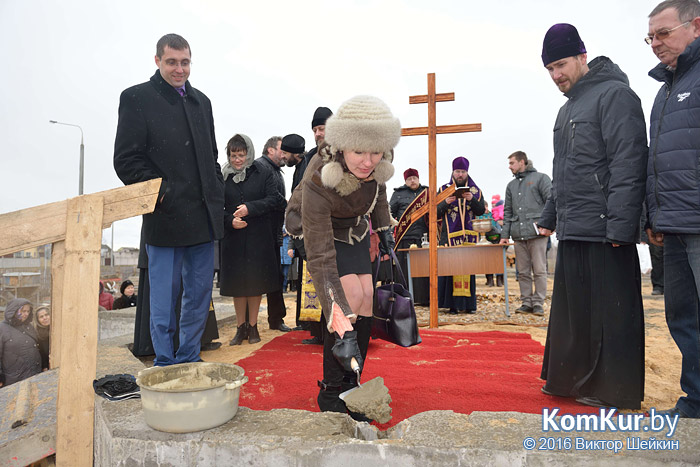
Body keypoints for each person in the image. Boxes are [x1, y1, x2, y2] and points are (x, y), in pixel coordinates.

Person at [538, 24, 647, 409]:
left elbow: (629, 162)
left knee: (611, 315)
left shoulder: (615, 96)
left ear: (583, 57)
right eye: (549, 68)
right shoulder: (567, 109)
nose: (556, 75)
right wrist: (551, 214)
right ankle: (568, 380)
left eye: (562, 64)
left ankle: (612, 390)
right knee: (575, 312)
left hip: (606, 227)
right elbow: (562, 167)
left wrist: (621, 224)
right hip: (573, 224)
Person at [285, 95, 400, 419]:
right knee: (346, 300)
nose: (368, 161)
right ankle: (332, 391)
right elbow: (321, 261)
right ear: (341, 146)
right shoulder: (320, 176)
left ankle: (353, 379)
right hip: (316, 226)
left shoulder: (377, 162)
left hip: (354, 227)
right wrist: (342, 329)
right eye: (359, 152)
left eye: (375, 152)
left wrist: (384, 229)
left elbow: (377, 193)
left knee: (366, 296)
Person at [113, 33, 224, 366]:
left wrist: (217, 195)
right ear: (157, 60)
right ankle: (164, 362)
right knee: (163, 301)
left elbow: (211, 156)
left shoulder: (202, 102)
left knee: (199, 297)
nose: (180, 69)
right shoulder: (136, 98)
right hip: (166, 218)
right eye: (172, 62)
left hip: (203, 219)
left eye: (185, 62)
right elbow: (126, 159)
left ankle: (189, 357)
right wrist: (164, 195)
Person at [645, 0, 700, 419]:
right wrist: (654, 214)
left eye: (663, 34)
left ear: (695, 25)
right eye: (650, 37)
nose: (655, 44)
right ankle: (696, 402)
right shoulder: (664, 92)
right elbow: (656, 159)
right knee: (683, 318)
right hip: (675, 222)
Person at [219, 134, 285, 345]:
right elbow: (215, 207)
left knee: (255, 284)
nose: (237, 160)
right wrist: (230, 221)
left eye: (241, 155)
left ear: (249, 153)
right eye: (233, 155)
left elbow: (275, 200)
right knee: (238, 286)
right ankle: (241, 327)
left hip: (258, 236)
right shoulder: (222, 177)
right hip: (234, 238)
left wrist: (250, 208)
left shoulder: (263, 172)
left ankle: (254, 326)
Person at [288, 107, 333, 345]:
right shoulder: (307, 160)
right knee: (317, 281)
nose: (317, 133)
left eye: (322, 128)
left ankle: (337, 331)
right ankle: (319, 331)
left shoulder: (346, 153)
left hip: (338, 231)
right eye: (315, 129)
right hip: (313, 232)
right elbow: (298, 193)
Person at [499, 151, 552, 316]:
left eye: (512, 163)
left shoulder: (541, 179)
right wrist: (504, 236)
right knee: (522, 271)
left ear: (522, 162)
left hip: (537, 234)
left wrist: (550, 225)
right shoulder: (511, 186)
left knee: (539, 270)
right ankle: (526, 302)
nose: (510, 167)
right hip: (518, 235)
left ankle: (538, 303)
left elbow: (551, 201)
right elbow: (507, 212)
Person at [436, 157, 486, 314]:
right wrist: (446, 203)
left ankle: (469, 305)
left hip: (469, 237)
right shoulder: (444, 189)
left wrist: (471, 201)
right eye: (457, 171)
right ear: (453, 172)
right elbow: (435, 212)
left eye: (463, 172)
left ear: (467, 172)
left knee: (468, 270)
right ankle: (453, 306)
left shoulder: (475, 191)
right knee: (451, 270)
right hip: (449, 237)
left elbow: (480, 211)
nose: (460, 175)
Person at [258, 136, 292, 333]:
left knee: (276, 276)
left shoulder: (275, 170)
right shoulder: (261, 167)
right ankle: (271, 319)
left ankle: (276, 318)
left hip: (273, 231)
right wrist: (288, 204)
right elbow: (270, 197)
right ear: (270, 150)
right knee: (267, 276)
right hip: (264, 231)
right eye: (281, 149)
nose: (284, 154)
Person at [389, 168, 429, 304]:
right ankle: (404, 298)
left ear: (418, 179)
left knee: (423, 268)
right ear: (405, 181)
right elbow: (389, 213)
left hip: (423, 237)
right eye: (409, 179)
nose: (412, 181)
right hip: (404, 237)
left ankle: (424, 298)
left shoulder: (426, 192)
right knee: (405, 269)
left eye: (414, 178)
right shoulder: (398, 194)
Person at [0, 299, 42, 387]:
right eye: (23, 311)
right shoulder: (2, 329)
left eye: (28, 311)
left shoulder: (29, 327)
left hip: (34, 374)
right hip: (14, 379)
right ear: (14, 311)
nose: (26, 314)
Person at [34, 305, 51, 371]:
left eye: (46, 315)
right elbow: (41, 353)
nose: (45, 318)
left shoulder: (58, 328)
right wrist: (44, 366)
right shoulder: (38, 334)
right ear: (38, 320)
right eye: (41, 317)